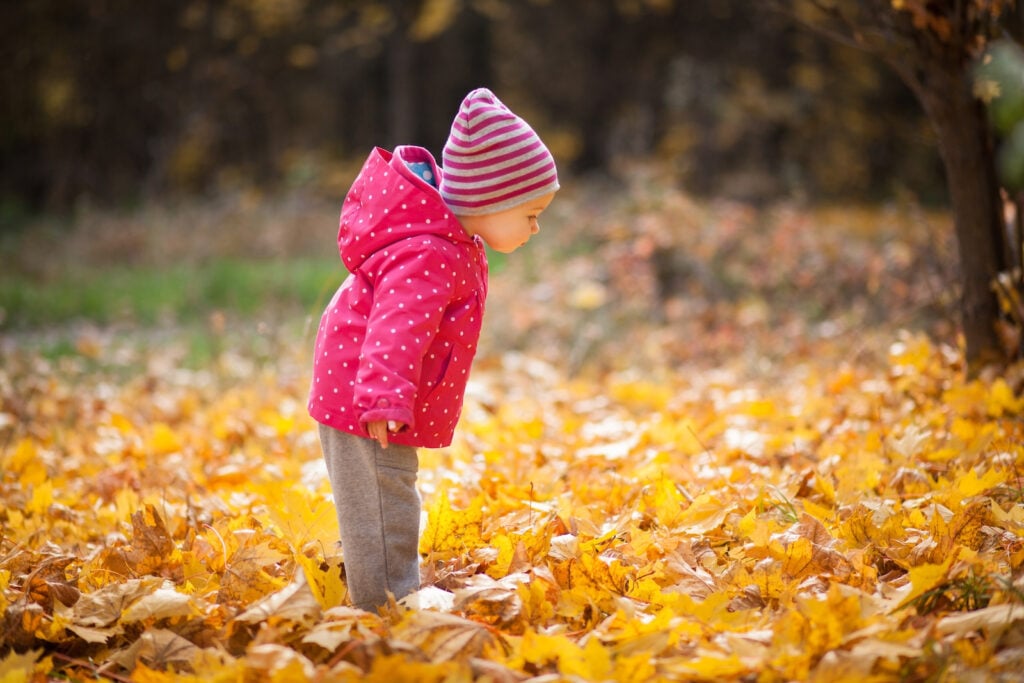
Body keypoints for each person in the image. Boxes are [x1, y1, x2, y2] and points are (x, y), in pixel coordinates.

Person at [308, 87, 559, 611]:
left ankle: (386, 588)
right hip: (364, 393)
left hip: (377, 393)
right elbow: (395, 327)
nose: (536, 226)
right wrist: (381, 398)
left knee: (387, 491)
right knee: (381, 499)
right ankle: (383, 606)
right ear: (490, 200)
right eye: (531, 212)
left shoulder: (451, 242)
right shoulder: (430, 251)